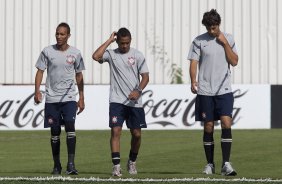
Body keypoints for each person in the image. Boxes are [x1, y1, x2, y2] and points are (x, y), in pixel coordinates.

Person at [92, 27, 149, 177]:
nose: (124, 46)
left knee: (136, 134)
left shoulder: (137, 55)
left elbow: (145, 77)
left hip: (134, 102)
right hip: (116, 100)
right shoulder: (111, 54)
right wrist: (109, 40)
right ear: (117, 41)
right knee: (115, 131)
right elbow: (95, 56)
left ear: (130, 41)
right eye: (122, 43)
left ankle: (132, 161)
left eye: (127, 43)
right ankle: (116, 166)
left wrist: (138, 91)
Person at [188, 9, 238, 176]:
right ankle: (210, 164)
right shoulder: (198, 41)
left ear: (219, 25)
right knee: (208, 126)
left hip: (224, 90)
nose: (211, 31)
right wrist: (193, 80)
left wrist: (224, 43)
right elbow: (194, 62)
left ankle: (226, 164)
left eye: (214, 27)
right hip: (205, 90)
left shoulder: (228, 38)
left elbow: (235, 61)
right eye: (209, 28)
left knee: (226, 123)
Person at [34, 22, 85, 175]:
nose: (59, 36)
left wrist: (81, 97)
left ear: (68, 35)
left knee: (70, 128)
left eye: (62, 34)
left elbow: (79, 75)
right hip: (51, 98)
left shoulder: (75, 53)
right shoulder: (47, 51)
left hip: (69, 97)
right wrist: (37, 91)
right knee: (55, 132)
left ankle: (71, 164)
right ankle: (57, 165)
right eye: (57, 33)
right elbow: (40, 72)